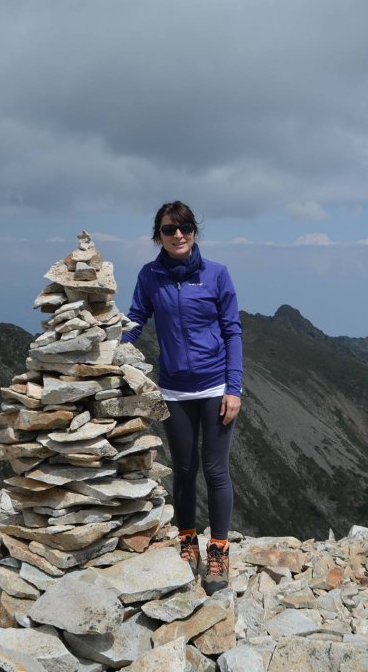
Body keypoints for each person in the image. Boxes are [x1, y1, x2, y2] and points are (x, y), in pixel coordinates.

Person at [120, 200, 243, 595]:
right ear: (158, 235)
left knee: (216, 470)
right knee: (185, 470)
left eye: (186, 228)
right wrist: (112, 352)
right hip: (173, 389)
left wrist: (233, 388)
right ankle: (188, 542)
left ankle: (219, 550)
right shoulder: (150, 276)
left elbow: (232, 332)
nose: (179, 235)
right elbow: (136, 319)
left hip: (213, 387)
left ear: (195, 231)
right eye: (170, 229)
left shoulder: (216, 274)